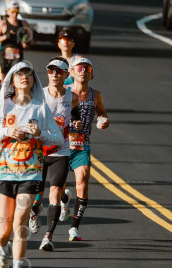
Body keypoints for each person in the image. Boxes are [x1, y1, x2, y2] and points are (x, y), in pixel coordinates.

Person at [0, 61, 62, 268]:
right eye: (19, 74)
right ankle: (3, 250)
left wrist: (41, 134)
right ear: (12, 80)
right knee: (4, 230)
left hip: (30, 173)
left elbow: (58, 138)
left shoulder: (40, 107)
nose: (24, 77)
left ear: (33, 80)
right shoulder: (1, 106)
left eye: (28, 74)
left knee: (20, 223)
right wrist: (7, 131)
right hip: (3, 171)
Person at [29, 57, 81, 251]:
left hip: (61, 151)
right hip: (40, 151)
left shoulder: (72, 97)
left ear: (66, 74)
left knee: (55, 192)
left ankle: (48, 237)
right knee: (36, 194)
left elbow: (74, 113)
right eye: (51, 71)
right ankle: (34, 213)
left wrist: (76, 122)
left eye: (58, 72)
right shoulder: (40, 96)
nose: (54, 74)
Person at [66, 57, 109, 242]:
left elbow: (102, 112)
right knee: (57, 187)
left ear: (91, 74)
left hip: (82, 144)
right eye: (80, 68)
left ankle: (74, 228)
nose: (83, 71)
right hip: (61, 143)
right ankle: (63, 201)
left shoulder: (96, 95)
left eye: (87, 68)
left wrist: (103, 120)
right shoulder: (64, 91)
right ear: (72, 72)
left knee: (82, 181)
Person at [0, 1, 33, 85]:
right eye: (12, 11)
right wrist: (6, 36)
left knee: (16, 77)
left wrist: (26, 42)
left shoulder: (24, 23)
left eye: (17, 11)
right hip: (4, 54)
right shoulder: (3, 23)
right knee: (4, 80)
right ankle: (2, 91)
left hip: (17, 54)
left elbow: (31, 40)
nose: (15, 14)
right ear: (7, 11)